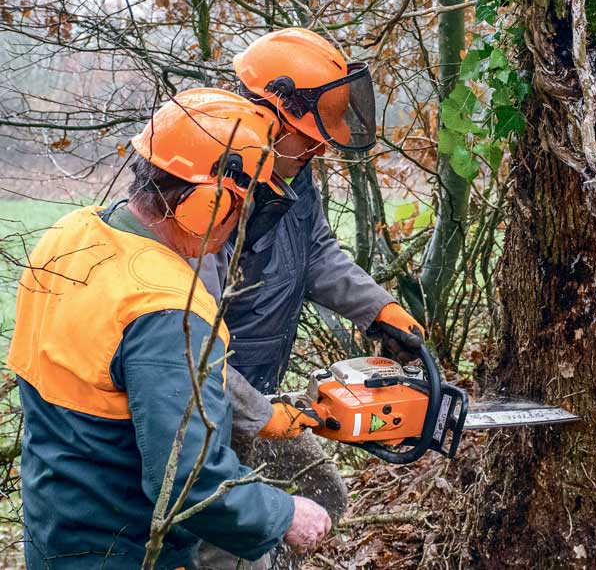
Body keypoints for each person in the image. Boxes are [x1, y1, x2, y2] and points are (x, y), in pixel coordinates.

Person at [6, 88, 332, 569]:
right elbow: (188, 481)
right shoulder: (165, 308)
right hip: (123, 549)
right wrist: (283, 512)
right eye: (241, 206)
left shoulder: (71, 235)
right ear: (208, 203)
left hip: (54, 531)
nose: (242, 221)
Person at [191, 28, 427, 569]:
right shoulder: (205, 189)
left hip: (259, 389)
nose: (319, 147)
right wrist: (255, 413)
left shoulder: (293, 172)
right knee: (226, 548)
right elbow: (190, 348)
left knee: (322, 491)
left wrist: (377, 308)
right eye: (306, 134)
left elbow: (315, 251)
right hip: (209, 405)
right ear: (266, 116)